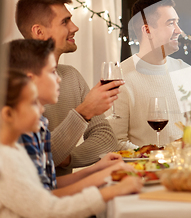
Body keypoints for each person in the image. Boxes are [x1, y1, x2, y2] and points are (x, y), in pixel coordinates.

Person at [0, 69, 142, 218]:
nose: (42, 110)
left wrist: (95, 170)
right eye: (33, 104)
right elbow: (48, 209)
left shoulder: (15, 150)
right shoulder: (6, 159)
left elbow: (45, 188)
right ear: (8, 114)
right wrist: (110, 192)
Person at [8, 38, 136, 197]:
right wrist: (106, 186)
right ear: (31, 79)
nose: (59, 79)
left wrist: (96, 170)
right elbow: (41, 203)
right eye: (52, 71)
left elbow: (48, 185)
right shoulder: (14, 132)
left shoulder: (39, 123)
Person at [15, 0, 120, 175]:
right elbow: (39, 154)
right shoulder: (13, 85)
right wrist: (84, 111)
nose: (74, 27)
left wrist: (69, 159)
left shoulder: (71, 76)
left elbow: (106, 138)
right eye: (65, 21)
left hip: (62, 192)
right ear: (39, 32)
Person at [110, 0, 191, 149]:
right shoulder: (119, 77)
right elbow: (115, 142)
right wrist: (163, 155)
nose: (179, 30)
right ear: (147, 30)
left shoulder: (186, 71)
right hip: (144, 170)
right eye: (171, 23)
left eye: (177, 23)